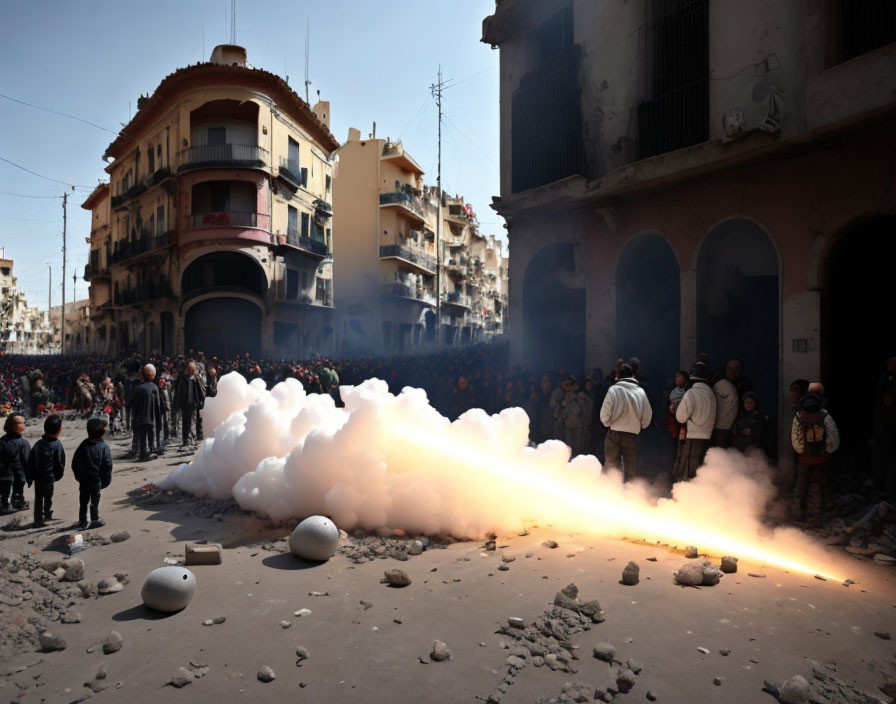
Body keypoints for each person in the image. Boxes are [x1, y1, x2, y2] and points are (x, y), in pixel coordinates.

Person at [791, 392, 840, 523]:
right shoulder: (825, 417)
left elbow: (795, 439)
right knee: (816, 488)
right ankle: (815, 518)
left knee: (800, 488)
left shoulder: (799, 417)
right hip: (820, 459)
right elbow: (833, 438)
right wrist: (828, 450)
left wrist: (800, 450)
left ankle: (798, 516)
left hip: (803, 460)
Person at [600, 363, 652, 481]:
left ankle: (611, 491)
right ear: (632, 376)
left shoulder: (613, 390)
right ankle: (629, 493)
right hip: (631, 435)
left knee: (611, 465)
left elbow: (604, 414)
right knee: (630, 466)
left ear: (619, 376)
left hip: (614, 433)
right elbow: (647, 416)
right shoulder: (640, 392)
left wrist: (608, 423)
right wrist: (641, 426)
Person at [673, 362, 717, 482]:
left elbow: (681, 417)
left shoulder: (691, 393)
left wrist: (675, 408)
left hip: (693, 435)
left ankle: (687, 495)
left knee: (688, 466)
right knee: (701, 466)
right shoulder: (711, 394)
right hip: (707, 435)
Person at [71, 417, 113, 530]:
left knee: (83, 500)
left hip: (84, 480)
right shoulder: (103, 447)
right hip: (96, 480)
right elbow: (108, 465)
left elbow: (75, 463)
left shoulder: (83, 444)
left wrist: (79, 477)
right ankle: (94, 519)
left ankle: (83, 520)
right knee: (95, 500)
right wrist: (105, 480)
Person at [25, 414, 65, 527]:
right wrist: (58, 475)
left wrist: (31, 477)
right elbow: (60, 462)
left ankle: (38, 519)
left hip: (38, 478)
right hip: (49, 477)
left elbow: (31, 462)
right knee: (48, 497)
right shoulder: (57, 445)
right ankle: (47, 515)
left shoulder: (38, 444)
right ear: (58, 430)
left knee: (38, 498)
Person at [128, 364, 162, 460]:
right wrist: (158, 419)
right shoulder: (154, 388)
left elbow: (130, 403)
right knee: (151, 434)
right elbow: (157, 405)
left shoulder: (138, 388)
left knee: (142, 436)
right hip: (151, 417)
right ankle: (151, 450)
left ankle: (142, 452)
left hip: (139, 418)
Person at [873, 356, 896, 496]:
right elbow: (885, 400)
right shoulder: (886, 379)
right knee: (884, 454)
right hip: (885, 423)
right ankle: (882, 485)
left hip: (889, 423)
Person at [0, 413, 31, 513]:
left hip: (4, 474)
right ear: (15, 426)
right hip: (18, 473)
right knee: (17, 490)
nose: (25, 424)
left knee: (5, 491)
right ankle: (17, 503)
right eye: (23, 422)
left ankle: (6, 504)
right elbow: (27, 460)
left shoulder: (2, 441)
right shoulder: (23, 443)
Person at [558, 376, 592, 457]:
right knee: (569, 449)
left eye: (569, 384)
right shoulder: (565, 395)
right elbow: (562, 407)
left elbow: (587, 407)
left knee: (577, 448)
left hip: (578, 424)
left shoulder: (580, 394)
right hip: (568, 425)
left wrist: (583, 418)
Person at [175, 363, 206, 445]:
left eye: (191, 370)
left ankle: (191, 438)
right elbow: (179, 392)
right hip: (185, 404)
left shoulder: (196, 379)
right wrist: (177, 403)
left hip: (193, 404)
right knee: (185, 423)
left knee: (192, 422)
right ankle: (185, 440)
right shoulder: (183, 379)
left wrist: (202, 402)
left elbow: (201, 391)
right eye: (188, 369)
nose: (189, 371)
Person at [712, 361, 740, 448]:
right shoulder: (730, 385)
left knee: (717, 448)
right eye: (730, 368)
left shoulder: (722, 385)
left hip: (720, 423)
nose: (732, 371)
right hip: (726, 423)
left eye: (735, 369)